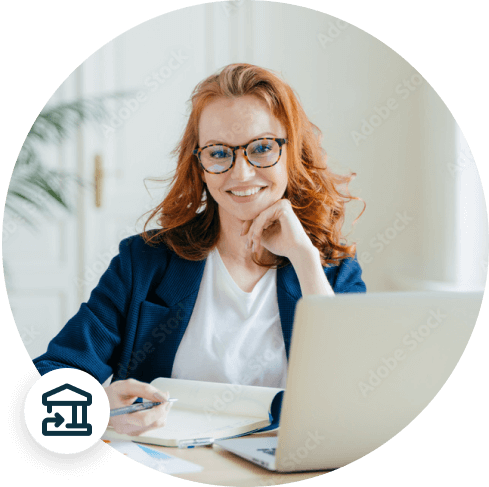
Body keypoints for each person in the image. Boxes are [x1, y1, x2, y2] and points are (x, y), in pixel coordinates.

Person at [33, 63, 366, 436]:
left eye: (261, 148)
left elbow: (357, 397)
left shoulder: (333, 271)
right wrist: (97, 403)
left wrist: (304, 258)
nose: (240, 174)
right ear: (200, 165)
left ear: (291, 151)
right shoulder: (143, 263)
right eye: (219, 153)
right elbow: (50, 378)